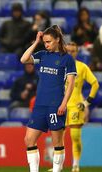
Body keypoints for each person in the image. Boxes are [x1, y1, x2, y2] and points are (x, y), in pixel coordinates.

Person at [20, 25, 76, 172]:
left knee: (57, 142)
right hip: (40, 105)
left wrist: (64, 104)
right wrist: (36, 42)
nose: (46, 45)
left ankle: (57, 170)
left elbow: (70, 84)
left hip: (55, 104)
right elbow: (24, 59)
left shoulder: (67, 59)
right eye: (45, 42)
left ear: (57, 40)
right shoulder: (43, 55)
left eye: (49, 41)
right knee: (29, 140)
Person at [65, 42, 99, 172]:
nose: (70, 53)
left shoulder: (82, 67)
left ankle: (75, 165)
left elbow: (95, 83)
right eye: (68, 51)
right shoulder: (59, 66)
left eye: (73, 51)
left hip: (75, 106)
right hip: (60, 106)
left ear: (77, 52)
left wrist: (87, 102)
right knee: (58, 138)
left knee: (75, 136)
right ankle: (58, 166)